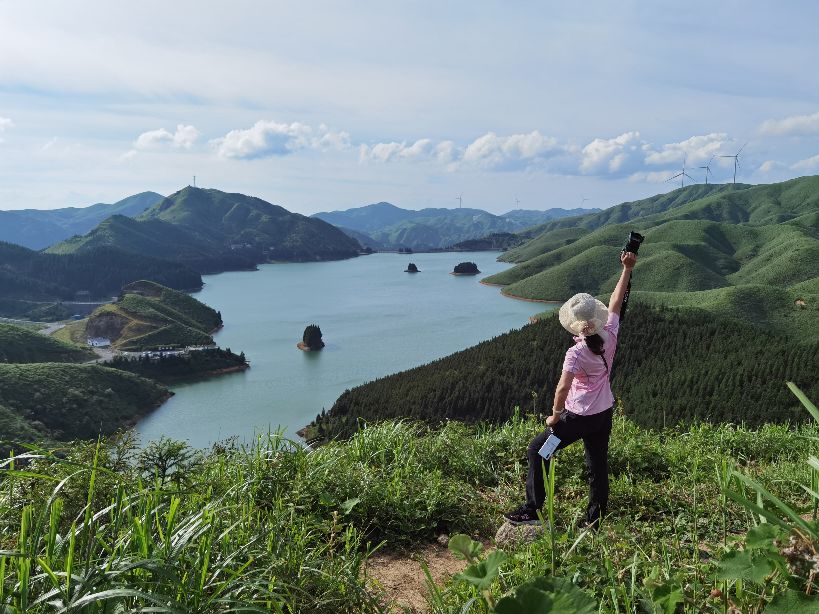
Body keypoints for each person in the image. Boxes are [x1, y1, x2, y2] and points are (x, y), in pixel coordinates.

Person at [503, 251, 637, 528]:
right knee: (597, 465)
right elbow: (615, 303)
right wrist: (627, 269)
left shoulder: (576, 353)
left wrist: (554, 415)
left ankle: (533, 509)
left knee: (538, 450)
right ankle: (594, 521)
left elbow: (563, 387)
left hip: (577, 418)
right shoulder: (609, 335)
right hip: (603, 413)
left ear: (575, 324)